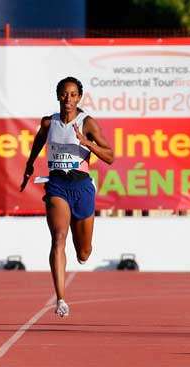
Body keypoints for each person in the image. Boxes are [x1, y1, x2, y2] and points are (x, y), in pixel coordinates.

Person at [20, 76, 115, 318]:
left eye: (73, 95)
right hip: (57, 185)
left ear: (79, 97)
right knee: (58, 238)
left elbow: (110, 156)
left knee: (83, 253)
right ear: (58, 96)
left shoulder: (88, 123)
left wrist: (87, 143)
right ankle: (60, 299)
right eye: (64, 94)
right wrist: (30, 165)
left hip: (82, 187)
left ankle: (82, 247)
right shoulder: (48, 123)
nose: (68, 99)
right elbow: (38, 143)